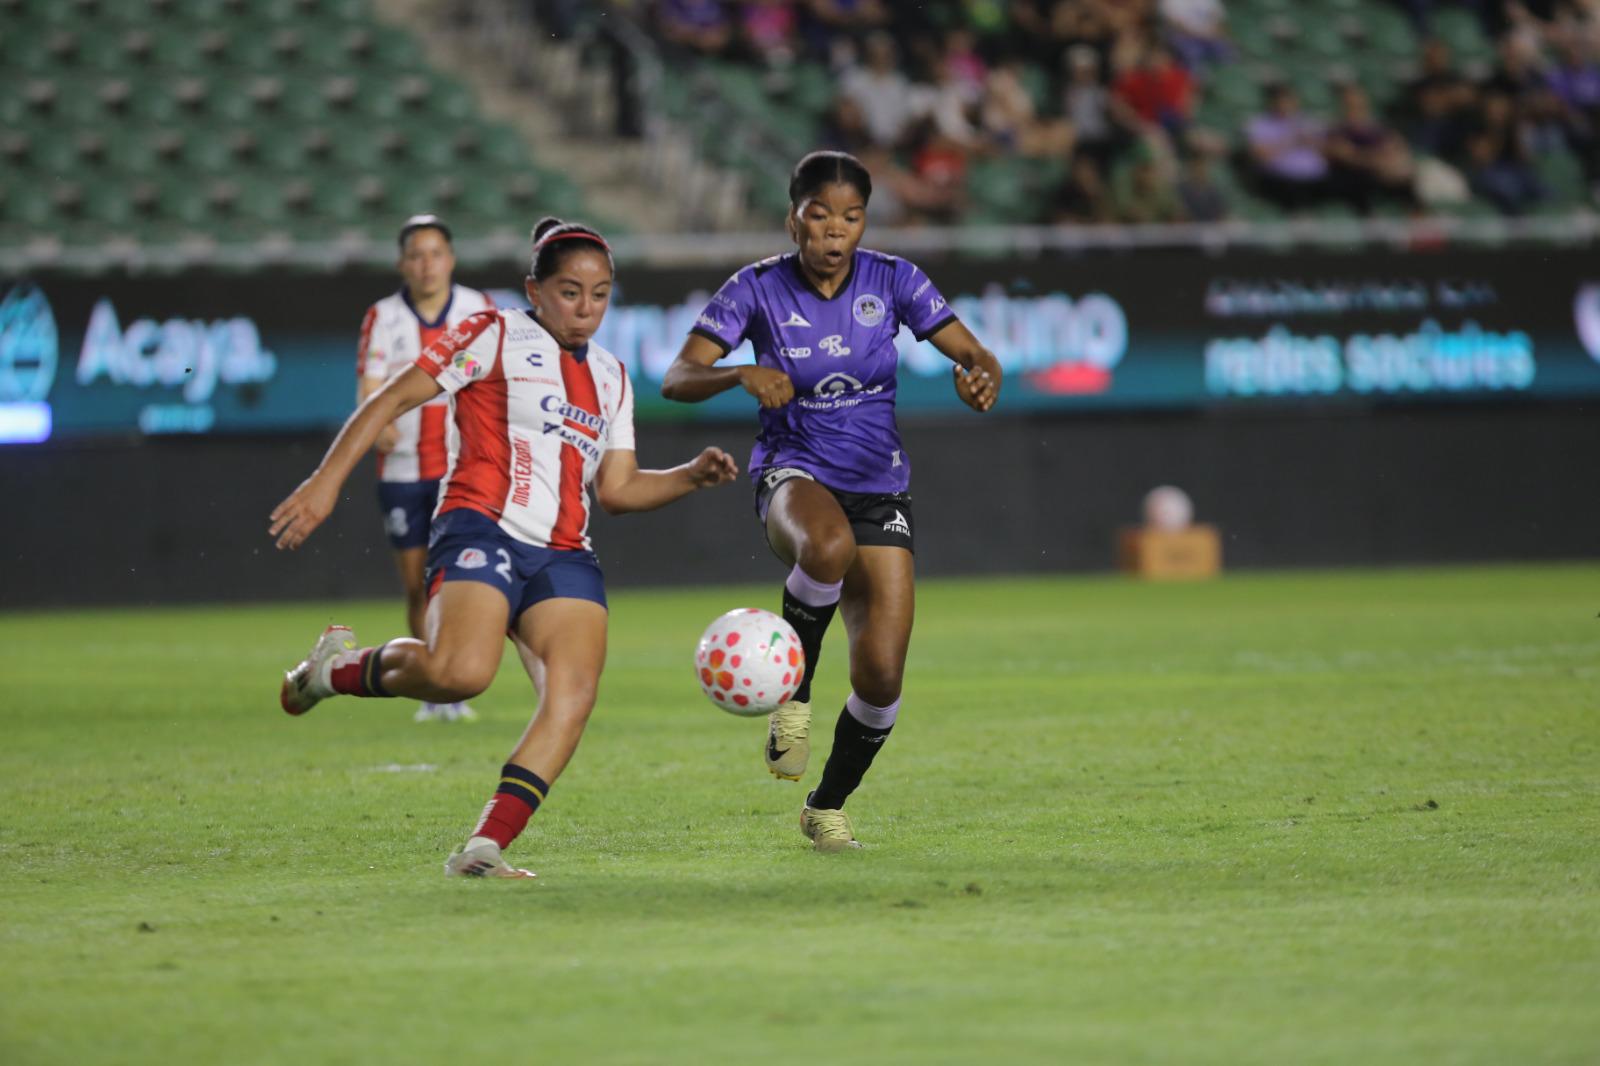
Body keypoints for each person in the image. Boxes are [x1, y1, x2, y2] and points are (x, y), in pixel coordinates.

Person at [270, 218, 739, 879]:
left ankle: (483, 848)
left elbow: (619, 488)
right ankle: (333, 672)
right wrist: (325, 483)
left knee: (573, 693)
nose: (586, 309)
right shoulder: (492, 334)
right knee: (462, 673)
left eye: (600, 294)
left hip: (563, 552)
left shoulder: (611, 376)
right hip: (480, 526)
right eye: (570, 292)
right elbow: (392, 399)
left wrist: (690, 475)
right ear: (535, 290)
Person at [660, 151, 1002, 851]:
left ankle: (825, 805)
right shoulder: (755, 288)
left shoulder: (895, 279)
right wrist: (740, 373)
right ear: (793, 219)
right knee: (827, 546)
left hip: (880, 482)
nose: (834, 232)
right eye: (820, 216)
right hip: (794, 470)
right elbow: (676, 377)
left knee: (881, 679)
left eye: (850, 217)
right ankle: (793, 699)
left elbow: (976, 354)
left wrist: (979, 375)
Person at [356, 214, 494, 723]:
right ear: (402, 264)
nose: (427, 264)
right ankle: (432, 684)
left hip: (463, 469)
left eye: (435, 254)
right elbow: (369, 387)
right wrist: (378, 423)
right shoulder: (383, 317)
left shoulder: (479, 310)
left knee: (455, 579)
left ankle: (453, 680)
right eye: (417, 255)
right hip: (402, 470)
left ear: (450, 260)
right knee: (417, 583)